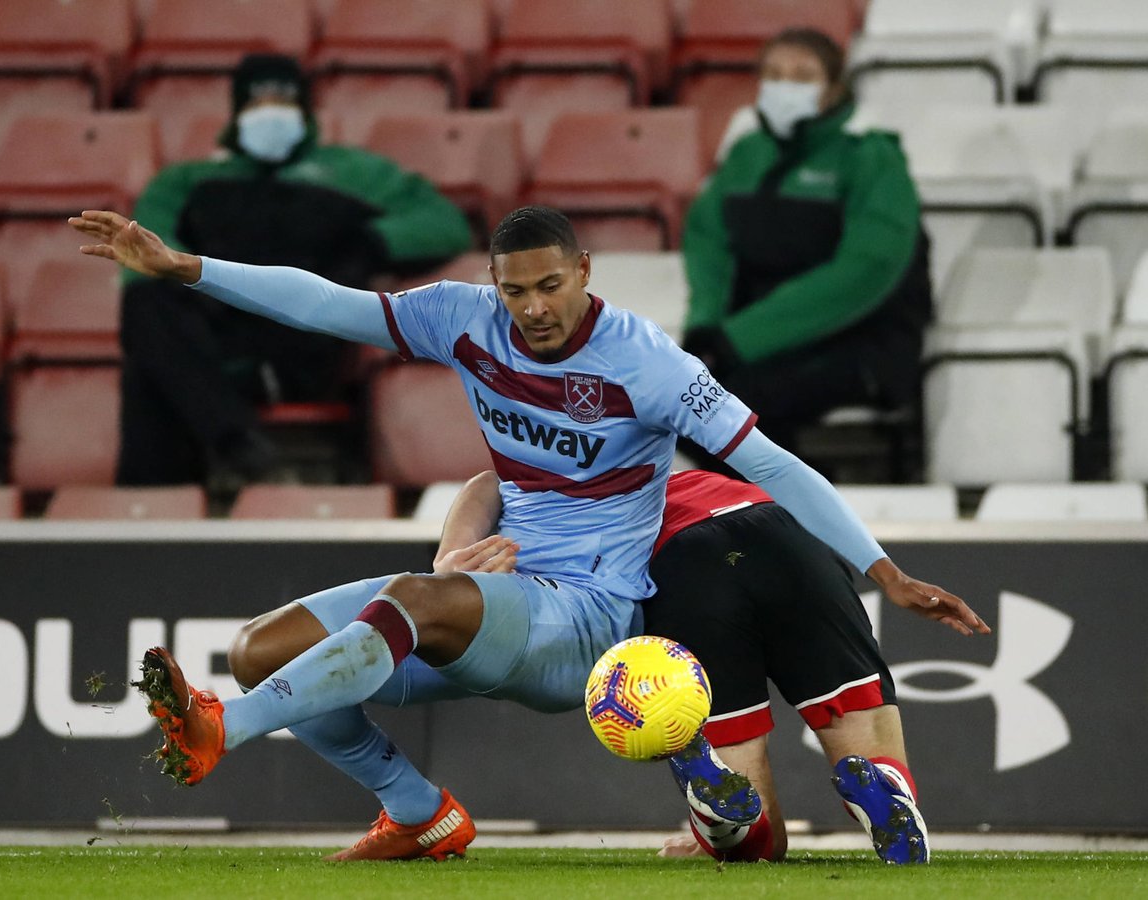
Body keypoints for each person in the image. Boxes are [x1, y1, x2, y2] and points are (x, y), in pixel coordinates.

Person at [69, 205, 984, 863]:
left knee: (406, 603)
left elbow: (775, 465)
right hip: (500, 594)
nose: (534, 308)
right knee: (260, 649)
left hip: (590, 616)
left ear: (584, 272)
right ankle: (418, 811)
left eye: (550, 285)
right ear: (494, 285)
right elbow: (325, 303)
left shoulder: (648, 364)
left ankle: (220, 734)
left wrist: (884, 569)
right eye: (516, 291)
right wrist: (188, 269)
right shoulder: (465, 322)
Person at [434, 469, 990, 865]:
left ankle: (725, 820)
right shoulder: (635, 456)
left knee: (761, 844)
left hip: (684, 566)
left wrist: (447, 563)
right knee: (867, 742)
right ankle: (885, 785)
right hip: (785, 533)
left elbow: (484, 484)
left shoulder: (537, 516)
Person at [118, 54, 472, 485]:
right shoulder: (187, 181)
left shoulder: (355, 173)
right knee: (144, 303)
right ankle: (233, 442)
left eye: (283, 98)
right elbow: (144, 252)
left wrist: (370, 241)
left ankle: (152, 519)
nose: (270, 110)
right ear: (237, 111)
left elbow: (444, 223)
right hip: (214, 341)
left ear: (304, 106)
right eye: (257, 100)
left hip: (304, 338)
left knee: (151, 379)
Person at [681, 28, 932, 458]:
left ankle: (794, 513)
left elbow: (864, 272)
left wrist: (739, 338)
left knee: (723, 408)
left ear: (833, 89)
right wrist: (707, 324)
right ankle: (780, 512)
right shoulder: (747, 154)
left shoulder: (871, 158)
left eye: (801, 76)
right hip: (755, 342)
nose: (784, 87)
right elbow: (708, 241)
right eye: (774, 75)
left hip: (860, 343)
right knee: (681, 404)